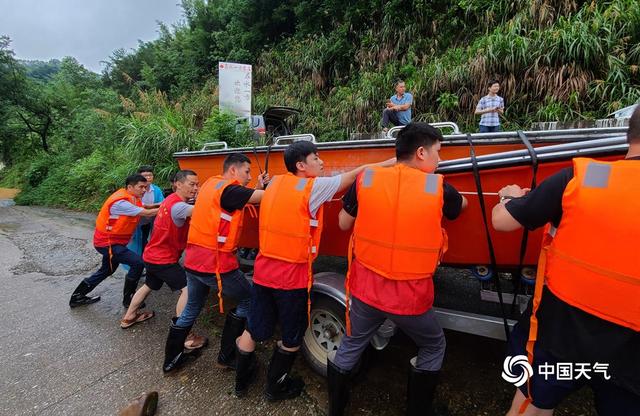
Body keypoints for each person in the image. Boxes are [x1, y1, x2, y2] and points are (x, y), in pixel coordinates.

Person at [491, 105, 640, 415]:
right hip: (630, 355)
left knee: (534, 403)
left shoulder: (583, 176)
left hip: (562, 334)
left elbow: (503, 222)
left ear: (628, 133)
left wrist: (508, 197)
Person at [234, 141, 394, 401]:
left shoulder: (274, 184)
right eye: (316, 158)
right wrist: (393, 163)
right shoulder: (313, 187)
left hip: (263, 272)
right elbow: (359, 172)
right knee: (293, 336)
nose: (322, 162)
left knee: (253, 329)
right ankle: (275, 388)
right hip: (291, 277)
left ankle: (240, 385)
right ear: (301, 165)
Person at [327, 122, 467, 416]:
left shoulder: (367, 178)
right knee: (433, 345)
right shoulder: (439, 186)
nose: (439, 160)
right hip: (409, 298)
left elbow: (342, 222)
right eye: (438, 153)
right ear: (420, 153)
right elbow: (460, 207)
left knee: (353, 342)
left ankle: (336, 409)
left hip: (366, 289)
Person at [162, 154, 269, 374]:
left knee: (192, 306)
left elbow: (247, 197)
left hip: (193, 261)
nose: (249, 177)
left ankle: (171, 360)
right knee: (249, 298)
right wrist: (277, 186)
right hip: (215, 264)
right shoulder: (230, 189)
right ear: (233, 171)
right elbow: (266, 197)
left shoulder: (212, 183)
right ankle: (227, 356)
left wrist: (258, 187)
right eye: (247, 172)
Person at [119, 170, 199, 333]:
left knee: (149, 285)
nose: (196, 188)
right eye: (192, 184)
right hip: (163, 259)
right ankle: (183, 334)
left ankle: (129, 316)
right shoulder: (179, 206)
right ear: (178, 184)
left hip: (151, 255)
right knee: (188, 289)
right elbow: (202, 211)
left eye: (197, 184)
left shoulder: (170, 199)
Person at [69, 174, 159, 308]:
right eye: (141, 187)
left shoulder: (132, 198)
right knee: (138, 263)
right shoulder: (120, 203)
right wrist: (169, 208)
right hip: (108, 243)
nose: (144, 190)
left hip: (111, 243)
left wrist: (161, 204)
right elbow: (146, 213)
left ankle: (77, 297)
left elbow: (146, 206)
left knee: (107, 270)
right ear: (130, 187)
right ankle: (129, 300)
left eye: (145, 187)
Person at [126, 166, 164, 259]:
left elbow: (162, 203)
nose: (148, 178)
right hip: (135, 222)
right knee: (134, 242)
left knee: (144, 240)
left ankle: (142, 261)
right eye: (145, 176)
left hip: (148, 221)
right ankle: (135, 264)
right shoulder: (134, 191)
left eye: (150, 175)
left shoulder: (156, 190)